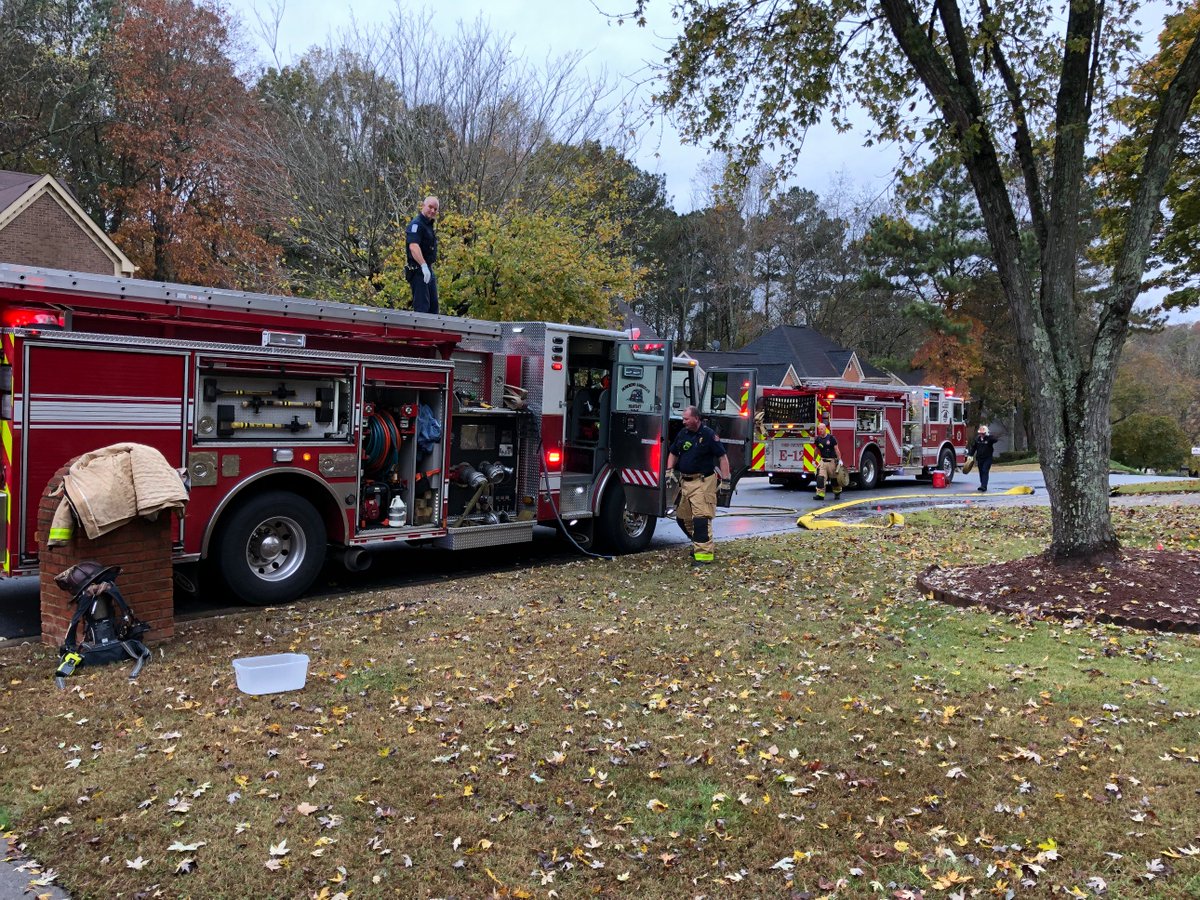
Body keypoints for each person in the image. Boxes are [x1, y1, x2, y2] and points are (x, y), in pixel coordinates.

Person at [666, 405, 732, 564]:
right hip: (686, 482)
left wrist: (726, 480)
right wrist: (669, 470)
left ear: (696, 418)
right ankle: (699, 544)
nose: (683, 422)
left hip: (703, 482)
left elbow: (722, 457)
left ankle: (703, 557)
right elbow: (674, 452)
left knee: (701, 519)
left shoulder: (709, 435)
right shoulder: (683, 434)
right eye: (683, 419)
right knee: (682, 519)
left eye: (686, 419)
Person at [405, 196, 440, 314]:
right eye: (430, 207)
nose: (433, 211)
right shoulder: (417, 224)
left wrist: (427, 268)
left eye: (435, 209)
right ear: (423, 206)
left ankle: (432, 332)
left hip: (427, 269)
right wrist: (423, 266)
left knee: (433, 308)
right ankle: (421, 332)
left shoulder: (428, 225)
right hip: (418, 270)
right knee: (422, 308)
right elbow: (413, 246)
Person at [813, 421, 844, 501]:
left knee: (834, 479)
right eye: (819, 429)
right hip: (823, 461)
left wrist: (840, 460)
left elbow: (836, 449)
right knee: (820, 478)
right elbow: (816, 450)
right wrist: (814, 460)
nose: (820, 431)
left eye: (822, 429)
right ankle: (820, 495)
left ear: (825, 429)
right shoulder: (818, 439)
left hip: (832, 461)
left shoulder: (831, 438)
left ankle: (837, 493)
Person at [969, 424, 999, 491]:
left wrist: (989, 436)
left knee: (985, 470)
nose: (981, 434)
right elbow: (974, 448)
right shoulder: (977, 439)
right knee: (981, 472)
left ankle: (984, 486)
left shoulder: (989, 439)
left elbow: (995, 440)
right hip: (979, 458)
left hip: (987, 458)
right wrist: (970, 455)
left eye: (983, 433)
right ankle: (982, 484)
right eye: (980, 433)